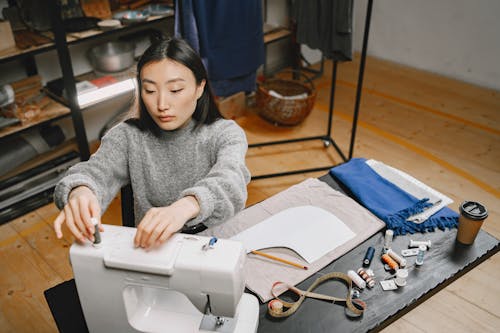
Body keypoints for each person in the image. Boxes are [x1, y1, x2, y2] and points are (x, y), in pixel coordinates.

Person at [53, 37, 251, 249]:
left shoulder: (225, 133)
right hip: (153, 252)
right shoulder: (128, 136)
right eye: (150, 91)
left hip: (215, 246)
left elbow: (231, 179)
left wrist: (187, 205)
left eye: (175, 90)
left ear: (200, 88)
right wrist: (81, 191)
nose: (162, 104)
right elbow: (94, 172)